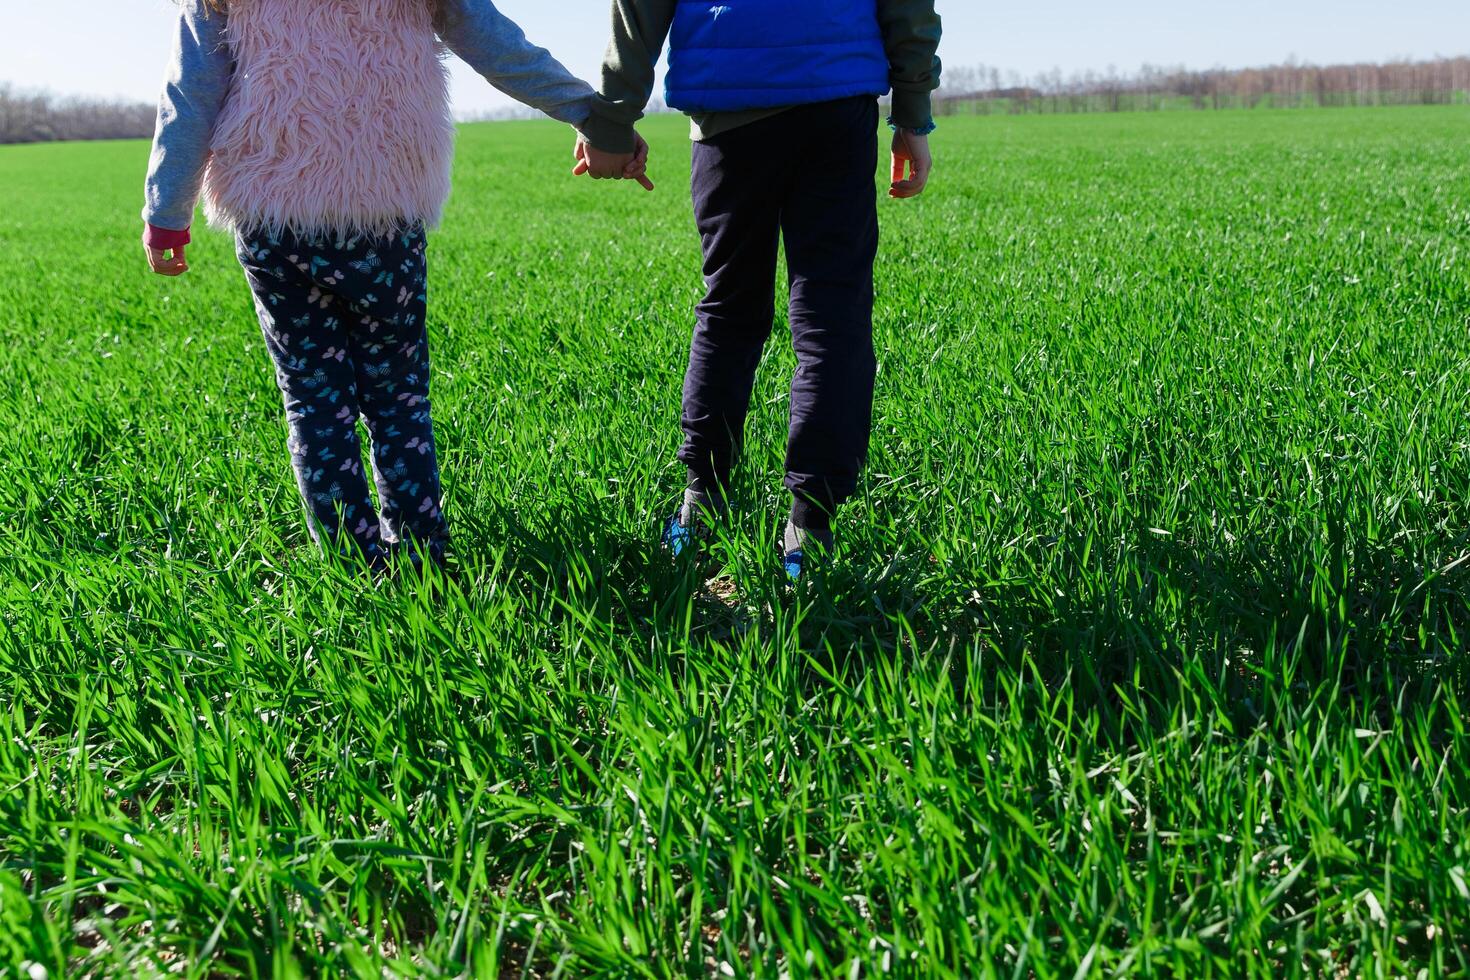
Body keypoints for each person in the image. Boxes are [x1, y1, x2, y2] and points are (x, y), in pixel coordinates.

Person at [141, 0, 647, 573]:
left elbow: (192, 90)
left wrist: (166, 214)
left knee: (313, 398)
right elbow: (497, 46)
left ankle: (350, 564)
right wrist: (595, 117)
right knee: (397, 394)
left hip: (272, 216)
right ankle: (423, 555)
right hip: (381, 213)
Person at [574, 0, 942, 580]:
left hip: (729, 109)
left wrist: (614, 121)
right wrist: (912, 111)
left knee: (729, 309)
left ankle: (701, 502)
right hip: (835, 101)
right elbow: (907, 7)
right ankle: (811, 527)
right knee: (831, 314)